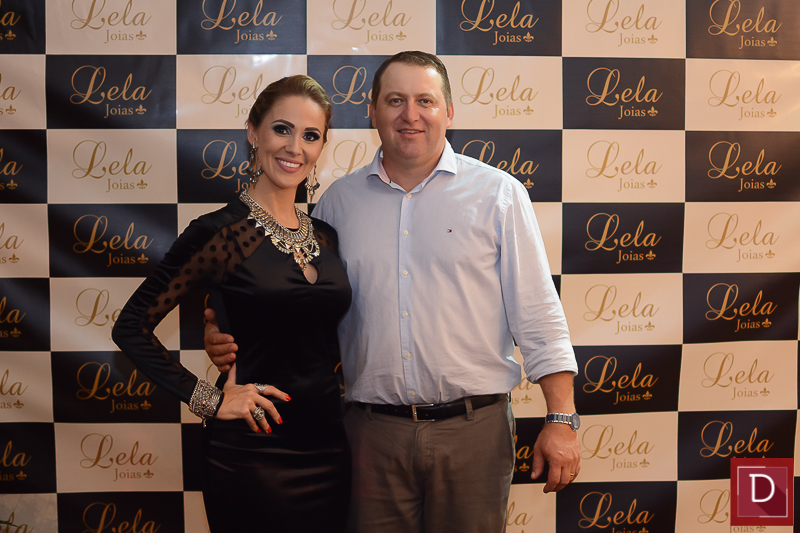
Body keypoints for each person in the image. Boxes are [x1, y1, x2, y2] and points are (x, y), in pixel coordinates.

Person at [205, 51, 580, 533]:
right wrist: (231, 333)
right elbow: (300, 306)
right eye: (395, 100)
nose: (410, 115)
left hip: (475, 433)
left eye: (426, 100)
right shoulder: (337, 204)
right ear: (373, 112)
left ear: (449, 111)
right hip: (369, 436)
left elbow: (539, 313)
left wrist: (562, 418)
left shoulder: (499, 195)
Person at [112, 75, 352, 532]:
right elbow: (131, 327)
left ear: (322, 146)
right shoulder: (218, 233)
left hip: (328, 445)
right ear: (253, 133)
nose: (294, 147)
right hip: (251, 452)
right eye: (282, 129)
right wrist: (208, 399)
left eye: (310, 135)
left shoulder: (326, 236)